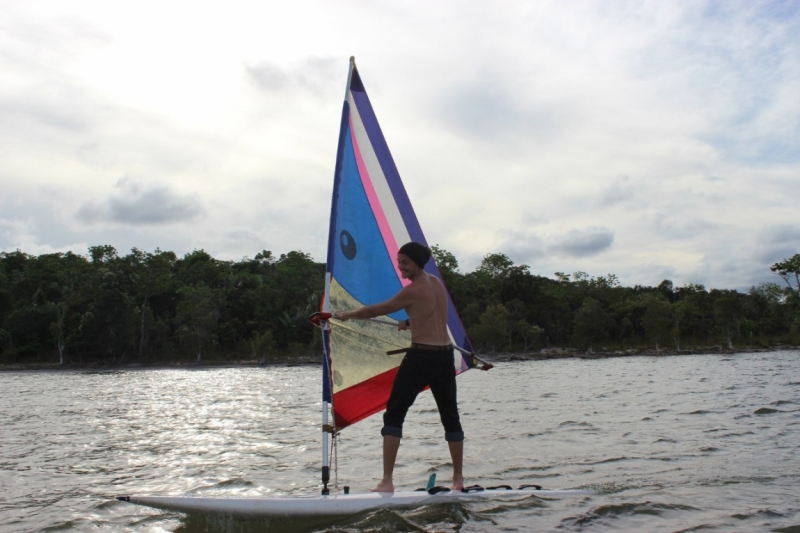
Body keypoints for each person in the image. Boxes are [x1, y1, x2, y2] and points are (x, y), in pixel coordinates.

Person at [332, 241, 465, 493]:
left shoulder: (412, 290)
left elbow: (375, 310)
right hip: (444, 357)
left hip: (421, 358)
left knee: (394, 414)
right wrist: (408, 320)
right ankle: (458, 479)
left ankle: (386, 481)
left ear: (417, 263)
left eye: (405, 262)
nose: (400, 265)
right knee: (450, 417)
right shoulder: (436, 283)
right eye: (399, 260)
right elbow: (432, 312)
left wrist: (345, 314)